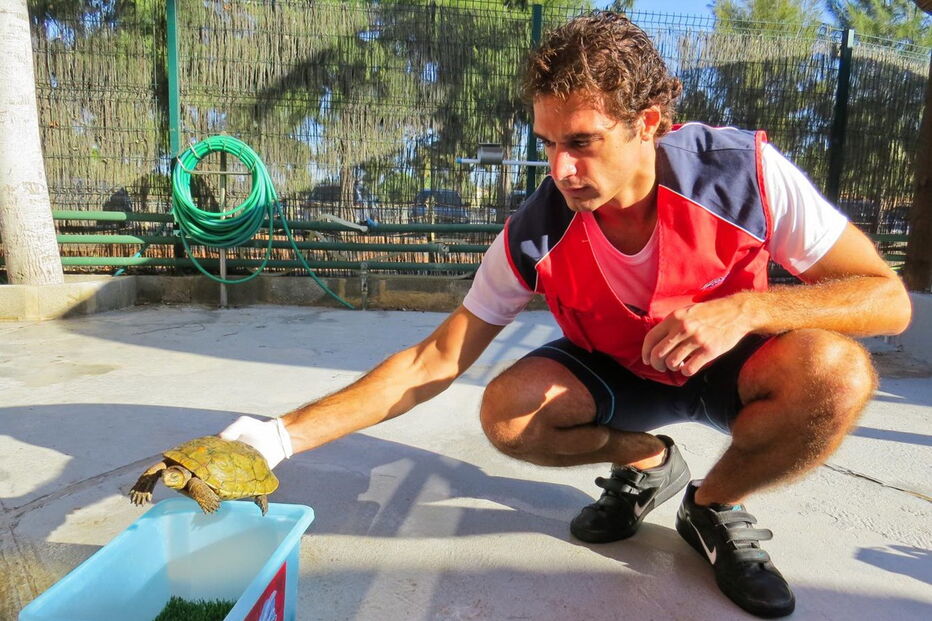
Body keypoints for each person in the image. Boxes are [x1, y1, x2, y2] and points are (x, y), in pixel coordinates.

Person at [217, 11, 911, 618]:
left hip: (732, 359)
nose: (560, 168)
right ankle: (649, 461)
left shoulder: (741, 173)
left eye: (580, 141)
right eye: (547, 143)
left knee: (838, 373)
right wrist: (273, 440)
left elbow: (888, 298)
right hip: (618, 369)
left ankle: (713, 504)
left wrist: (746, 309)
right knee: (508, 412)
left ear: (647, 123)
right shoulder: (535, 230)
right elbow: (434, 360)